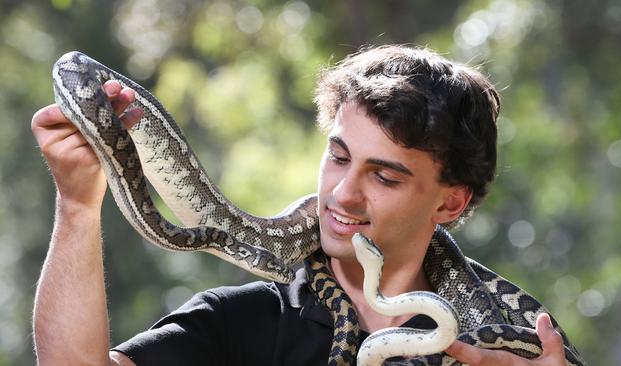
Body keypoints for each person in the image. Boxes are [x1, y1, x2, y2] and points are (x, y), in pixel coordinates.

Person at [32, 45, 571, 365]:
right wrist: (78, 205)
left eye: (384, 176)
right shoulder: (243, 321)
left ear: (450, 203)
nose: (342, 194)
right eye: (338, 157)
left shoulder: (511, 348)